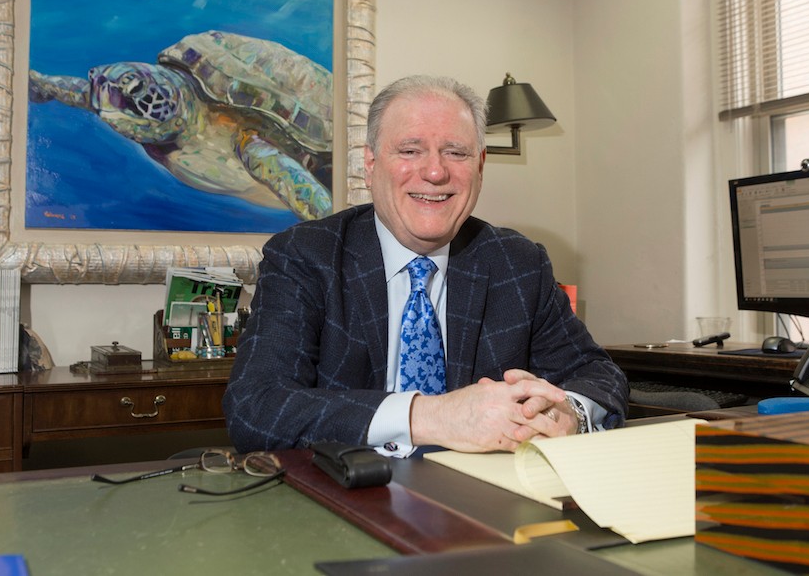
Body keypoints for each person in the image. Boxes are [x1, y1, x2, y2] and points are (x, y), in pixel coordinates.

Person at [223, 75, 628, 456]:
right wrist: (434, 417)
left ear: (480, 166)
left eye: (456, 152)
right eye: (410, 150)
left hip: (481, 504)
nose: (435, 172)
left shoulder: (518, 263)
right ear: (370, 163)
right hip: (349, 500)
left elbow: (596, 373)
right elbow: (257, 408)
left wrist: (568, 415)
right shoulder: (305, 255)